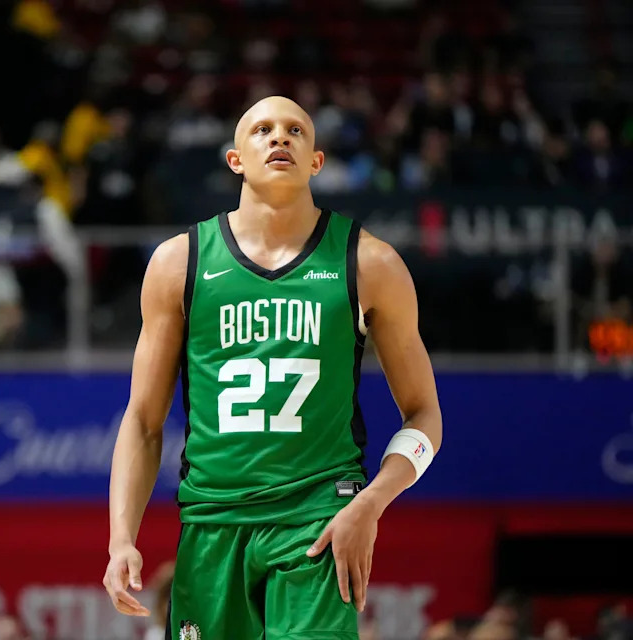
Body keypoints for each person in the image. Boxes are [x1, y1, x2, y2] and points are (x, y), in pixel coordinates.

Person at [103, 96, 442, 638]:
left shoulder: (370, 263)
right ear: (236, 158)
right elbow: (143, 421)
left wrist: (372, 504)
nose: (279, 138)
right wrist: (122, 538)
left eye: (295, 131)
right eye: (262, 129)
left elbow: (425, 417)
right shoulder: (179, 262)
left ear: (317, 161)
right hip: (212, 525)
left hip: (319, 520)